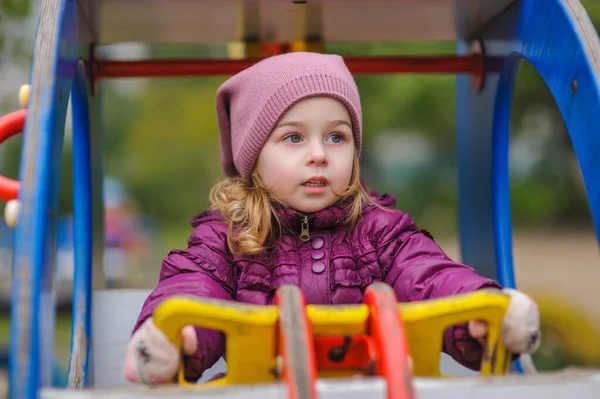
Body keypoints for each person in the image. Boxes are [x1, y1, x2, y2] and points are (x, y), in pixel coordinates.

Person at [123, 52, 540, 385]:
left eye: (336, 136)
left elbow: (429, 275)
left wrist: (479, 311)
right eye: (293, 137)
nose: (319, 153)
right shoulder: (227, 239)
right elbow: (194, 286)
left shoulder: (381, 231)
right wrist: (174, 338)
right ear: (253, 158)